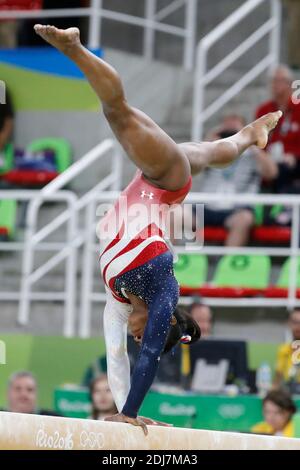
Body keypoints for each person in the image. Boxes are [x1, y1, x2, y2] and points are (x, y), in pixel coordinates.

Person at [34, 24, 282, 434]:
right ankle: (74, 48)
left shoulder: (117, 300)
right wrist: (131, 411)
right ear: (163, 323)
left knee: (203, 152)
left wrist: (122, 410)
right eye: (143, 332)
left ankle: (246, 136)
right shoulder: (165, 289)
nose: (136, 335)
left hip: (158, 184)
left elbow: (117, 356)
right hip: (163, 179)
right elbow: (147, 354)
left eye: (137, 334)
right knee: (117, 111)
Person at [198, 114, 278, 246]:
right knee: (177, 213)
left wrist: (249, 139)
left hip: (237, 208)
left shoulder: (253, 152)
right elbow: (192, 164)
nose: (232, 133)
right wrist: (210, 140)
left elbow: (272, 173)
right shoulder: (211, 150)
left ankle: (228, 265)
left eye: (236, 129)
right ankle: (167, 264)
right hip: (208, 206)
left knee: (244, 219)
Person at [255, 65, 300, 197]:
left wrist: (294, 155)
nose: (276, 84)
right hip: (268, 162)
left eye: (281, 80)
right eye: (274, 80)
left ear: (291, 84)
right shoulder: (263, 110)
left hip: (294, 163)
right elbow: (257, 139)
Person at [273, 308, 300, 392]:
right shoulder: (284, 350)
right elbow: (277, 381)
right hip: (288, 396)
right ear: (289, 324)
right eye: (295, 322)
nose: (298, 326)